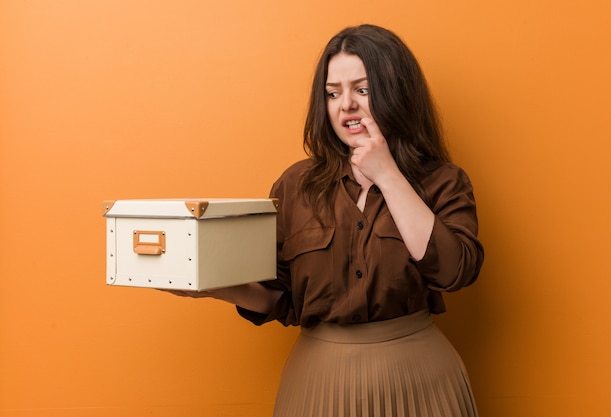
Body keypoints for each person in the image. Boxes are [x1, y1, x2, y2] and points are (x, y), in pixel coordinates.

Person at [175, 24, 484, 417]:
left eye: (363, 89)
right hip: (318, 383)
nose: (346, 105)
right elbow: (279, 297)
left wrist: (387, 174)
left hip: (420, 380)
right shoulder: (294, 185)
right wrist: (215, 289)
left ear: (396, 92)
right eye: (333, 93)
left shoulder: (443, 181)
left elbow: (455, 272)